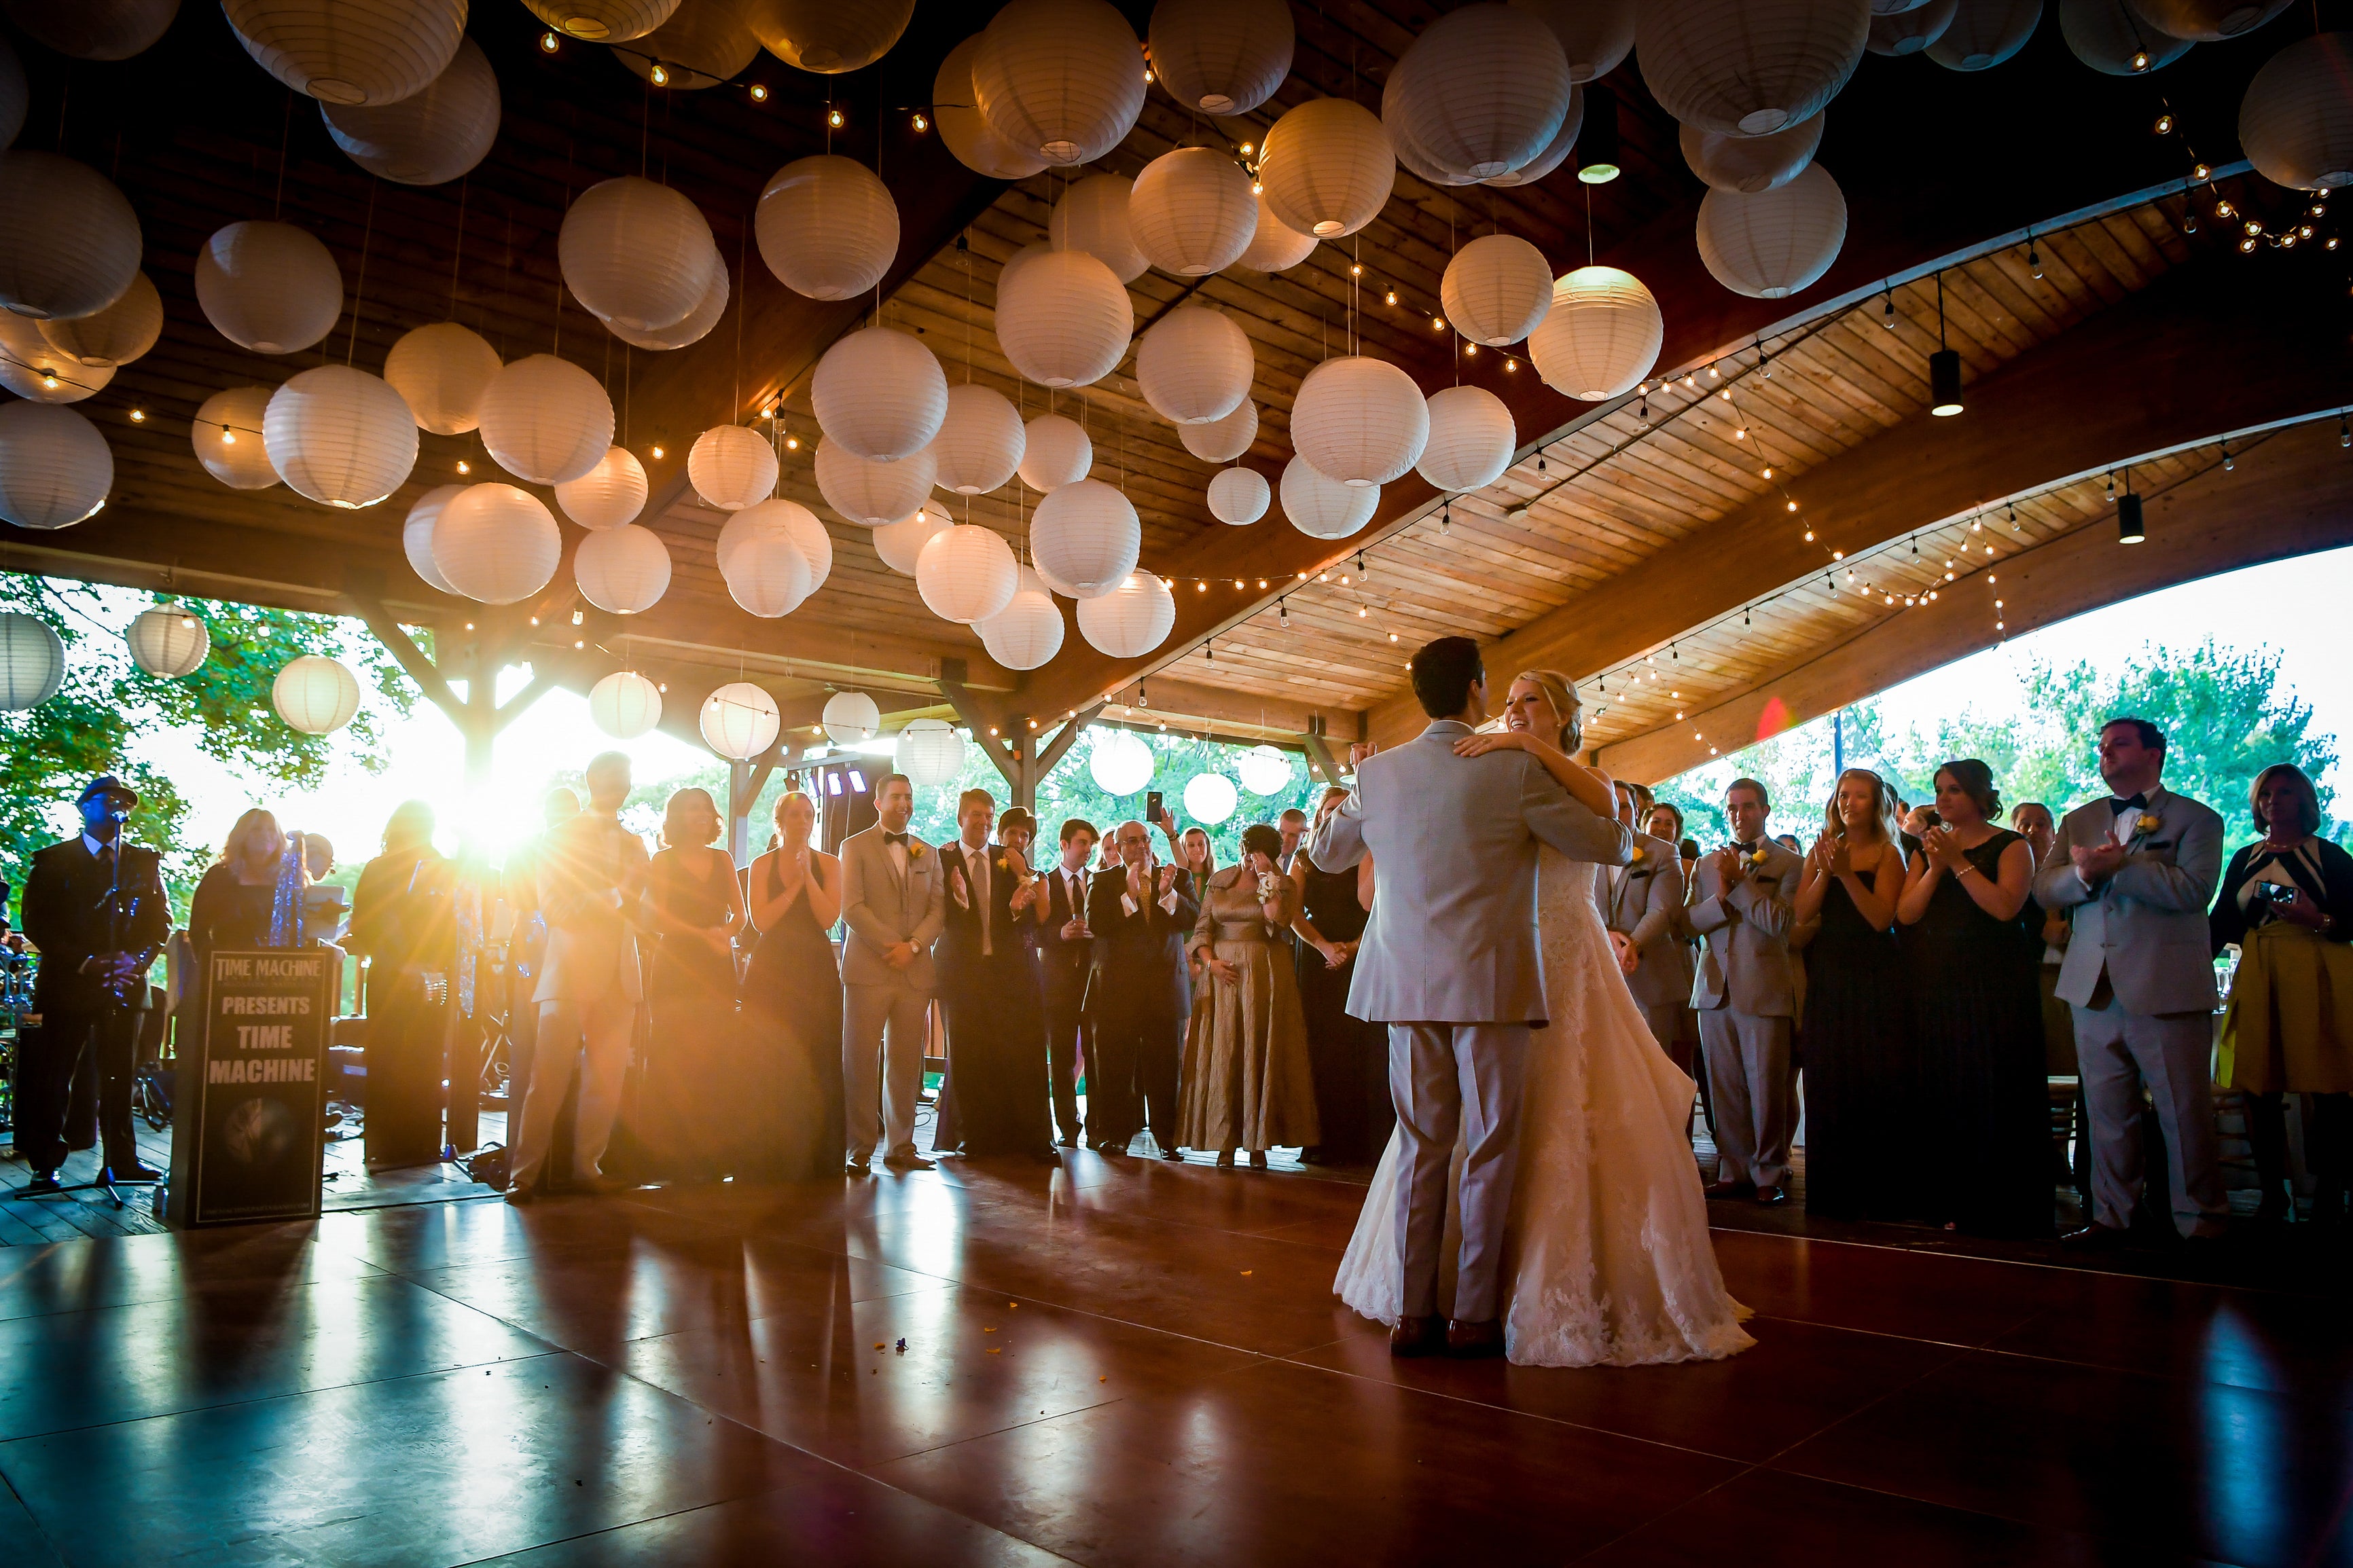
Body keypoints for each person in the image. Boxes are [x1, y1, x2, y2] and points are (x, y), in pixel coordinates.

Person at [1326, 652, 1750, 1366]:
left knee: (1423, 1143)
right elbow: (1610, 842)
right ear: (1474, 689)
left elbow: (1330, 854)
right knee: (1489, 1145)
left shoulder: (1377, 774)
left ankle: (1410, 1315)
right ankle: (1471, 1317)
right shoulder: (1510, 769)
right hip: (1490, 981)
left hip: (1404, 983)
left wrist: (1351, 792)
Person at [2032, 718, 2228, 1249]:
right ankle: (2113, 1217)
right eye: (2102, 746)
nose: (2106, 753)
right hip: (2092, 985)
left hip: (2164, 986)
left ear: (2154, 753)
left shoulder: (2197, 818)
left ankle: (2200, 1221)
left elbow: (2194, 891)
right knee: (2107, 1111)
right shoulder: (2079, 818)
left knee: (2182, 1112)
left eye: (2118, 744)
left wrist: (2120, 867)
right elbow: (2043, 887)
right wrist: (2083, 876)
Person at [1897, 760, 2049, 1236]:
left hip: (1995, 986)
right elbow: (1906, 913)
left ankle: (2002, 1201)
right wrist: (1934, 867)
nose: (1943, 799)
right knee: (1947, 1086)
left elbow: (2006, 908)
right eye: (1940, 790)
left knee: (1994, 1085)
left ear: (1981, 797)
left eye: (1955, 790)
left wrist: (1958, 865)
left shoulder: (2011, 844)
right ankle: (1950, 1196)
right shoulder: (1930, 850)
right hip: (1939, 985)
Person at [2210, 763, 2353, 1225]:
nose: (2274, 800)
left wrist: (2318, 918)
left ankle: (2329, 1192)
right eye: (2266, 793)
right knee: (2257, 1084)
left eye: (2286, 791)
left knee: (2328, 1086)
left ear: (2305, 800)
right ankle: (2274, 1192)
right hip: (2259, 969)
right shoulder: (2245, 858)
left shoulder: (2328, 855)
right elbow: (2221, 926)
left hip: (2320, 969)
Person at [14, 775, 170, 1191]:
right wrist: (85, 962)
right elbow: (37, 923)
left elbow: (161, 921)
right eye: (108, 799)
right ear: (85, 808)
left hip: (123, 983)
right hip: (67, 986)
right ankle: (45, 1163)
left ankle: (122, 1161)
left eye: (126, 801)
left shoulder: (144, 862)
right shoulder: (53, 860)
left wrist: (136, 961)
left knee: (120, 1074)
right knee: (54, 1074)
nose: (119, 805)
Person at [507, 751, 649, 1202]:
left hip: (621, 974)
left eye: (626, 778)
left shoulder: (635, 842)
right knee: (546, 1079)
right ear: (592, 780)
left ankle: (589, 1166)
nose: (621, 785)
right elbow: (556, 908)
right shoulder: (559, 838)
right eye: (613, 777)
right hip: (568, 973)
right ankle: (523, 1176)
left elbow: (645, 911)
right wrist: (618, 891)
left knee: (606, 1082)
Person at [1789, 769, 1911, 1221]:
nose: (1850, 802)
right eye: (1844, 794)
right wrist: (1825, 870)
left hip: (1875, 974)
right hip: (1831, 971)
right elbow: (1802, 912)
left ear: (1876, 803)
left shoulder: (1888, 852)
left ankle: (1877, 1191)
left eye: (1861, 795)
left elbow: (1882, 918)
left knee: (1873, 1075)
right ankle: (1831, 1189)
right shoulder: (1822, 848)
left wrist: (1845, 874)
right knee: (1829, 1072)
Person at [1689, 779, 1804, 1206]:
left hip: (1764, 988)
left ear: (1766, 810)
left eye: (1749, 807)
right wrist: (1720, 898)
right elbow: (1686, 925)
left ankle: (1769, 1171)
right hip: (1714, 989)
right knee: (1723, 1087)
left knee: (1767, 1086)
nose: (1740, 815)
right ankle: (1732, 1168)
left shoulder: (1792, 863)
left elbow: (1781, 924)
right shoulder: (1705, 865)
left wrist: (1740, 887)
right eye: (1733, 807)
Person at [1179, 822, 1318, 1168]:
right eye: (1247, 852)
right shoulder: (1220, 880)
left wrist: (1267, 879)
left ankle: (1259, 1144)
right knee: (1225, 1049)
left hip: (1265, 973)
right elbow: (1202, 930)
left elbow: (1279, 920)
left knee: (1260, 1048)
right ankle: (1223, 1142)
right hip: (1222, 974)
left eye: (1257, 854)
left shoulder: (1281, 884)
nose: (1249, 860)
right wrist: (1211, 964)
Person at [933, 788, 1054, 1162]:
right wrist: (960, 903)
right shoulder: (941, 858)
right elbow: (933, 914)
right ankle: (974, 1137)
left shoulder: (1008, 858)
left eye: (989, 815)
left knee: (1020, 1054)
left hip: (1011, 975)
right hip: (963, 972)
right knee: (969, 1057)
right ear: (960, 817)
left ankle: (1031, 1138)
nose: (984, 822)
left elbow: (1037, 916)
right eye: (976, 815)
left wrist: (1019, 906)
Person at [632, 788, 746, 1183]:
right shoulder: (662, 860)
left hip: (717, 965)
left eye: (705, 808)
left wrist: (725, 932)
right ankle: (670, 1156)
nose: (700, 814)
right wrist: (702, 935)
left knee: (716, 1054)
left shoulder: (723, 858)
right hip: (676, 963)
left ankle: (715, 1155)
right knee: (674, 1055)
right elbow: (657, 917)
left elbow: (741, 916)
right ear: (677, 818)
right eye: (691, 809)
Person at [839, 772, 946, 1173]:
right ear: (879, 803)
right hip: (869, 970)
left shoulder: (927, 851)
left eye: (909, 797)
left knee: (904, 1062)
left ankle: (901, 1147)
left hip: (914, 972)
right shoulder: (854, 847)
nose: (904, 803)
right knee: (861, 1060)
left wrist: (914, 947)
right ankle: (859, 1147)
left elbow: (938, 909)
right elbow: (852, 908)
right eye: (897, 797)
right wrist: (893, 947)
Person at [741, 789, 845, 1182]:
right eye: (795, 816)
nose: (803, 822)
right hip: (772, 968)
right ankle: (766, 1153)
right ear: (780, 822)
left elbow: (826, 918)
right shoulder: (761, 864)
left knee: (816, 1054)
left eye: (809, 815)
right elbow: (762, 922)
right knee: (769, 1056)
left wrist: (807, 876)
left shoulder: (830, 864)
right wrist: (792, 886)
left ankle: (819, 1154)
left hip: (815, 968)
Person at [346, 801, 454, 1170]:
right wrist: (406, 961)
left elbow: (454, 920)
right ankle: (387, 1145)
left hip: (430, 974)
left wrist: (432, 964)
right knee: (389, 1055)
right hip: (393, 974)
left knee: (425, 1055)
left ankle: (421, 1143)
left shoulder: (444, 867)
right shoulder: (379, 868)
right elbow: (364, 923)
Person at [1085, 818, 1198, 1158]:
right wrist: (1129, 895)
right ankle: (1117, 1135)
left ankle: (1168, 1139)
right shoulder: (1103, 881)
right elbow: (1097, 924)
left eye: (1145, 839)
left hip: (1165, 989)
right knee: (1115, 1068)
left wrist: (1168, 896)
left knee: (1165, 1069)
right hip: (1118, 992)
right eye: (1131, 841)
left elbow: (1192, 920)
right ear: (1118, 848)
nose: (1141, 846)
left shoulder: (1177, 877)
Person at [1293, 785, 1390, 1165]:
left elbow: (1378, 908)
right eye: (1328, 811)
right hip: (1317, 957)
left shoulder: (1369, 852)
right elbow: (1294, 914)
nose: (1334, 817)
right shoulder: (1304, 858)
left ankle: (1365, 1139)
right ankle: (1324, 1139)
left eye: (1341, 810)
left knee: (1361, 1044)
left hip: (1363, 950)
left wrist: (1350, 947)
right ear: (1318, 816)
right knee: (1322, 1046)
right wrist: (1324, 947)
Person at [1597, 779, 1691, 1068]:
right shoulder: (1585, 852)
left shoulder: (1662, 852)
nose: (1616, 811)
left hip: (1649, 976)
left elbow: (1663, 910)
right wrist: (1605, 937)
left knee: (1654, 1068)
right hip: (1600, 974)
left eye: (1624, 806)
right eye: (1609, 804)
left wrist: (1633, 943)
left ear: (1638, 812)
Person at [1034, 817, 1098, 1150]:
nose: (1088, 850)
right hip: (1057, 980)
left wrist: (1094, 933)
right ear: (1064, 844)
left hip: (1094, 979)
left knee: (1096, 1052)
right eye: (1082, 843)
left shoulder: (1100, 881)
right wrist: (1059, 934)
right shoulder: (1044, 881)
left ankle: (1097, 1124)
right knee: (1060, 1056)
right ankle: (1067, 1124)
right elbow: (1033, 932)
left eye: (1091, 844)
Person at [188, 808, 288, 963]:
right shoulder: (219, 876)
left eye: (271, 830)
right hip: (228, 972)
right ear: (242, 836)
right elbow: (198, 931)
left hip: (279, 971)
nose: (266, 835)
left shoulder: (289, 879)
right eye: (257, 829)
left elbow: (305, 929)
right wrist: (211, 966)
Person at [1276, 807, 1310, 872]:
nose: (1285, 839)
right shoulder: (1264, 854)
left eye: (1292, 835)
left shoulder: (1307, 863)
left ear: (1304, 835)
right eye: (1281, 832)